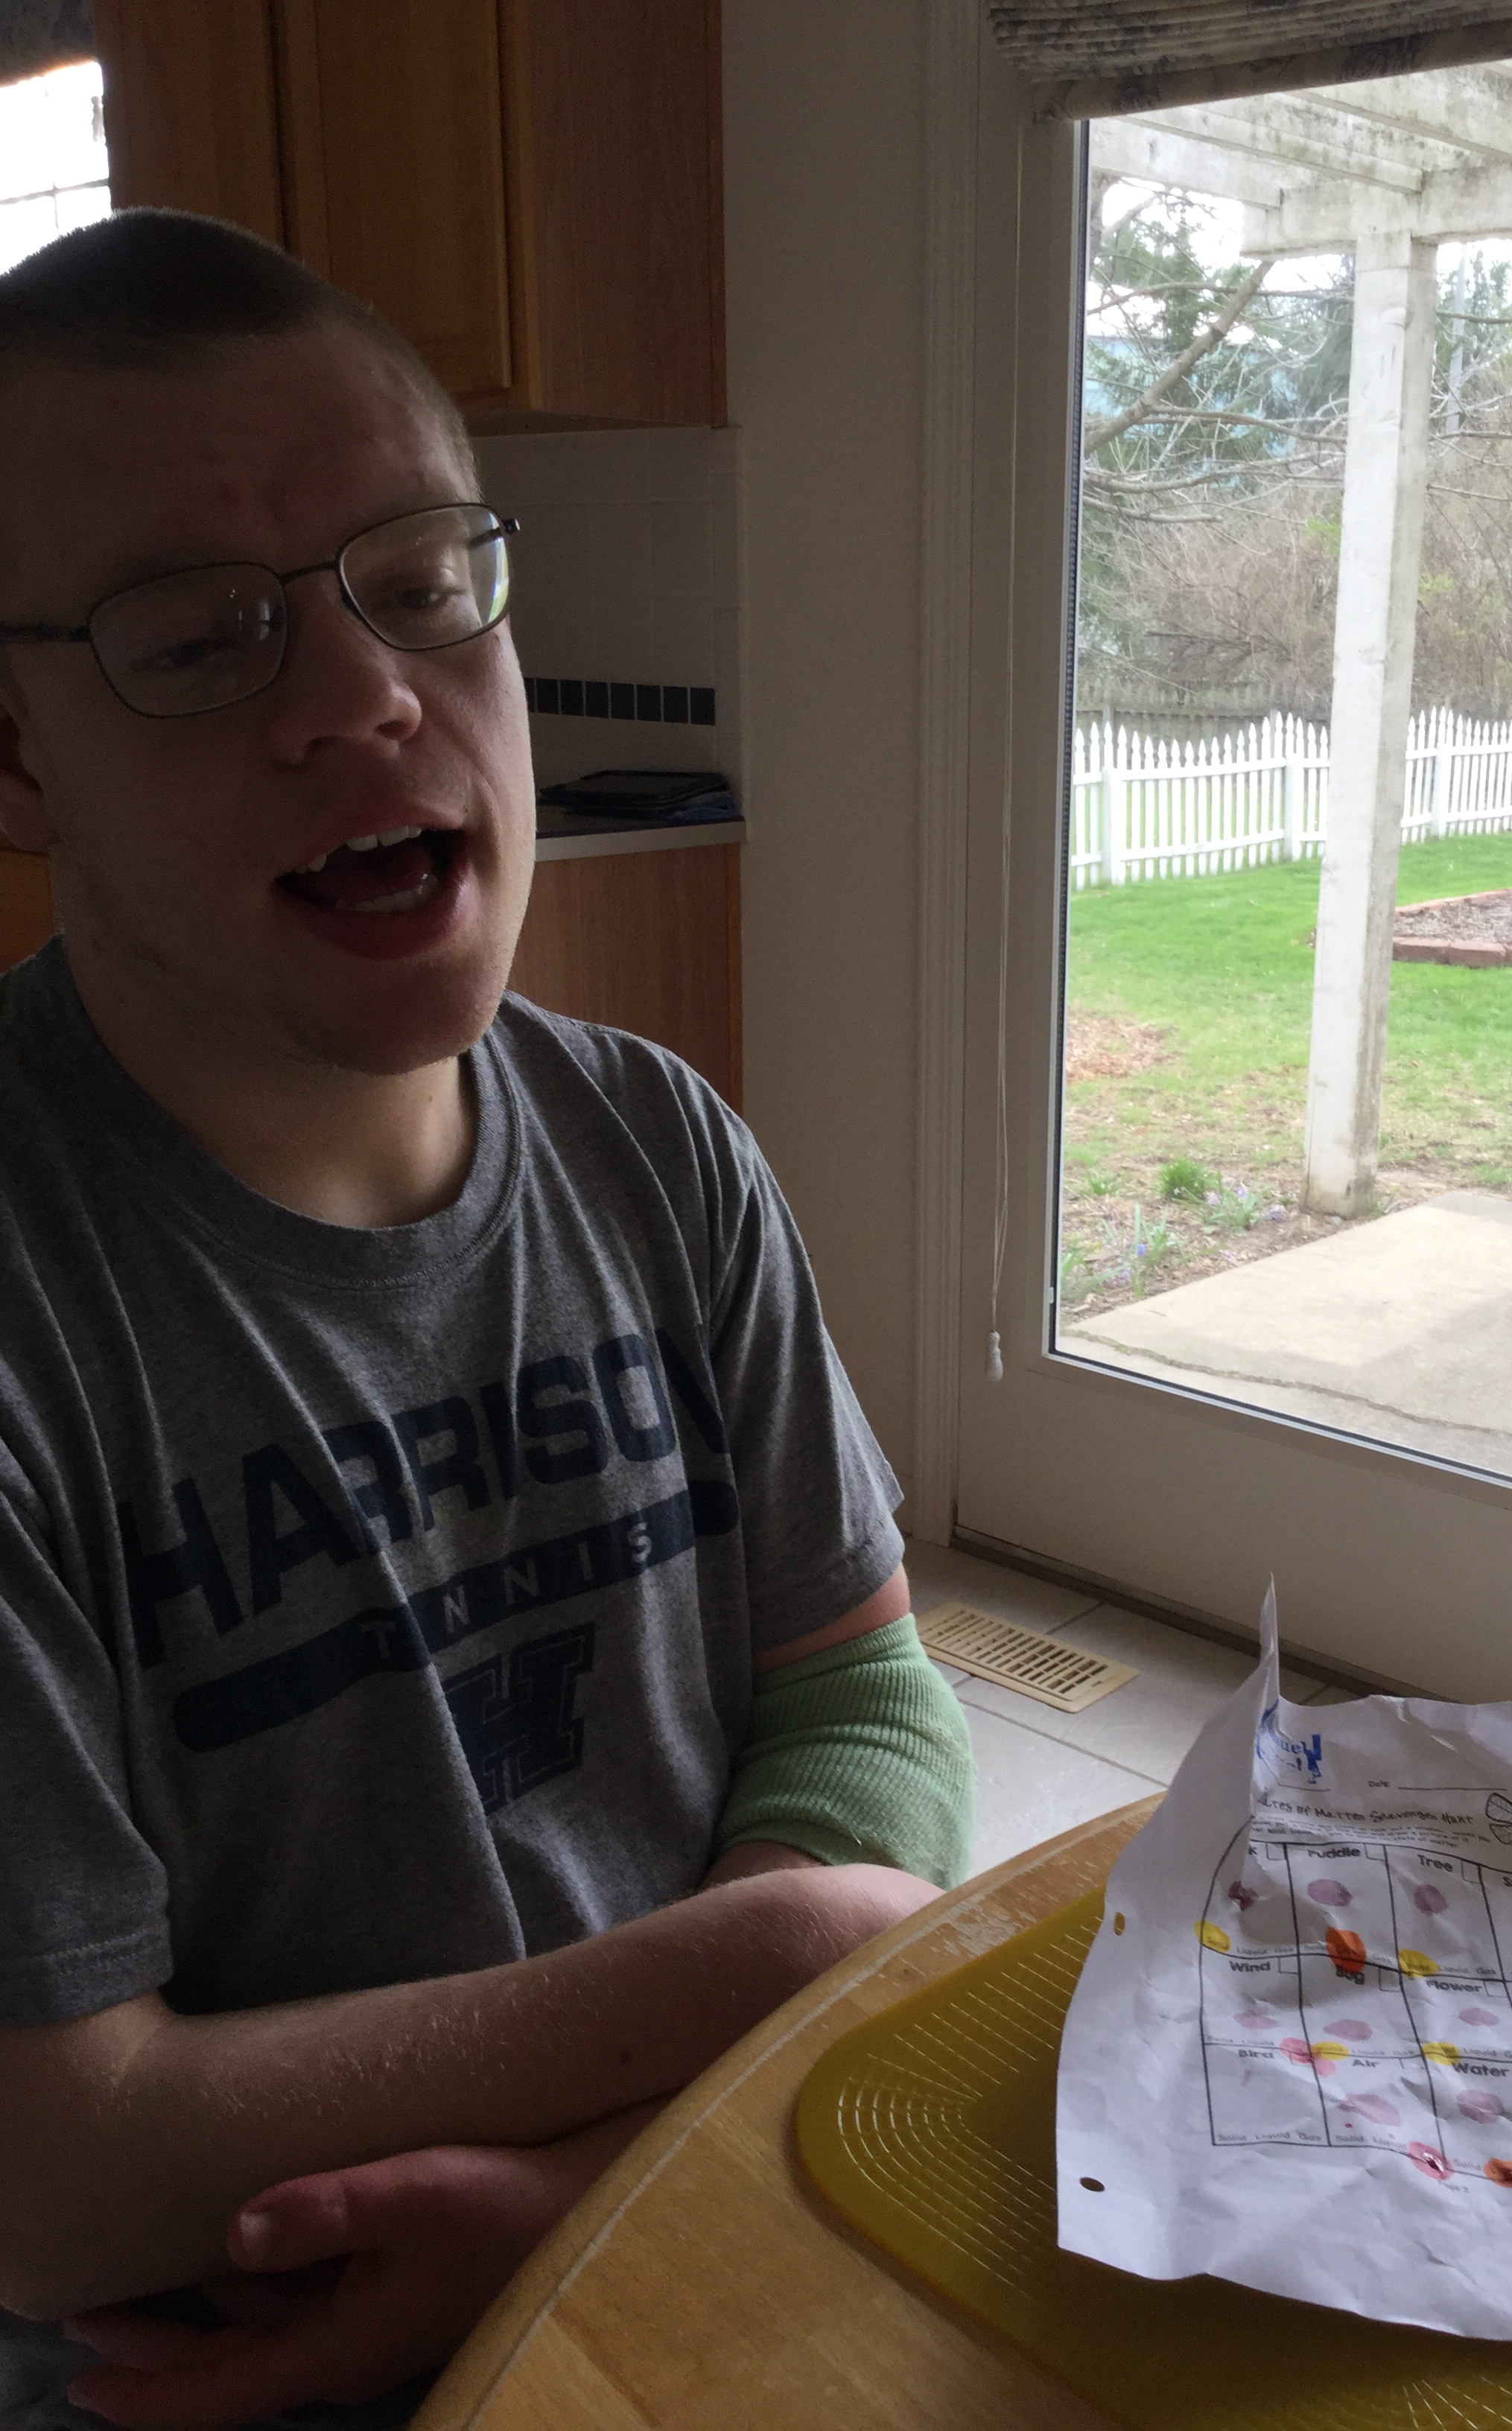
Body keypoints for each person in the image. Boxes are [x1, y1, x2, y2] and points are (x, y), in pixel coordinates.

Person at [0, 209, 973, 2431]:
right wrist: (784, 1949)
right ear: (19, 755)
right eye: (197, 637)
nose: (364, 693)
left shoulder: (661, 1141)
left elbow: (866, 1699)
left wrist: (577, 2192)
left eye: (423, 582)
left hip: (695, 2218)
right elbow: (54, 2174)